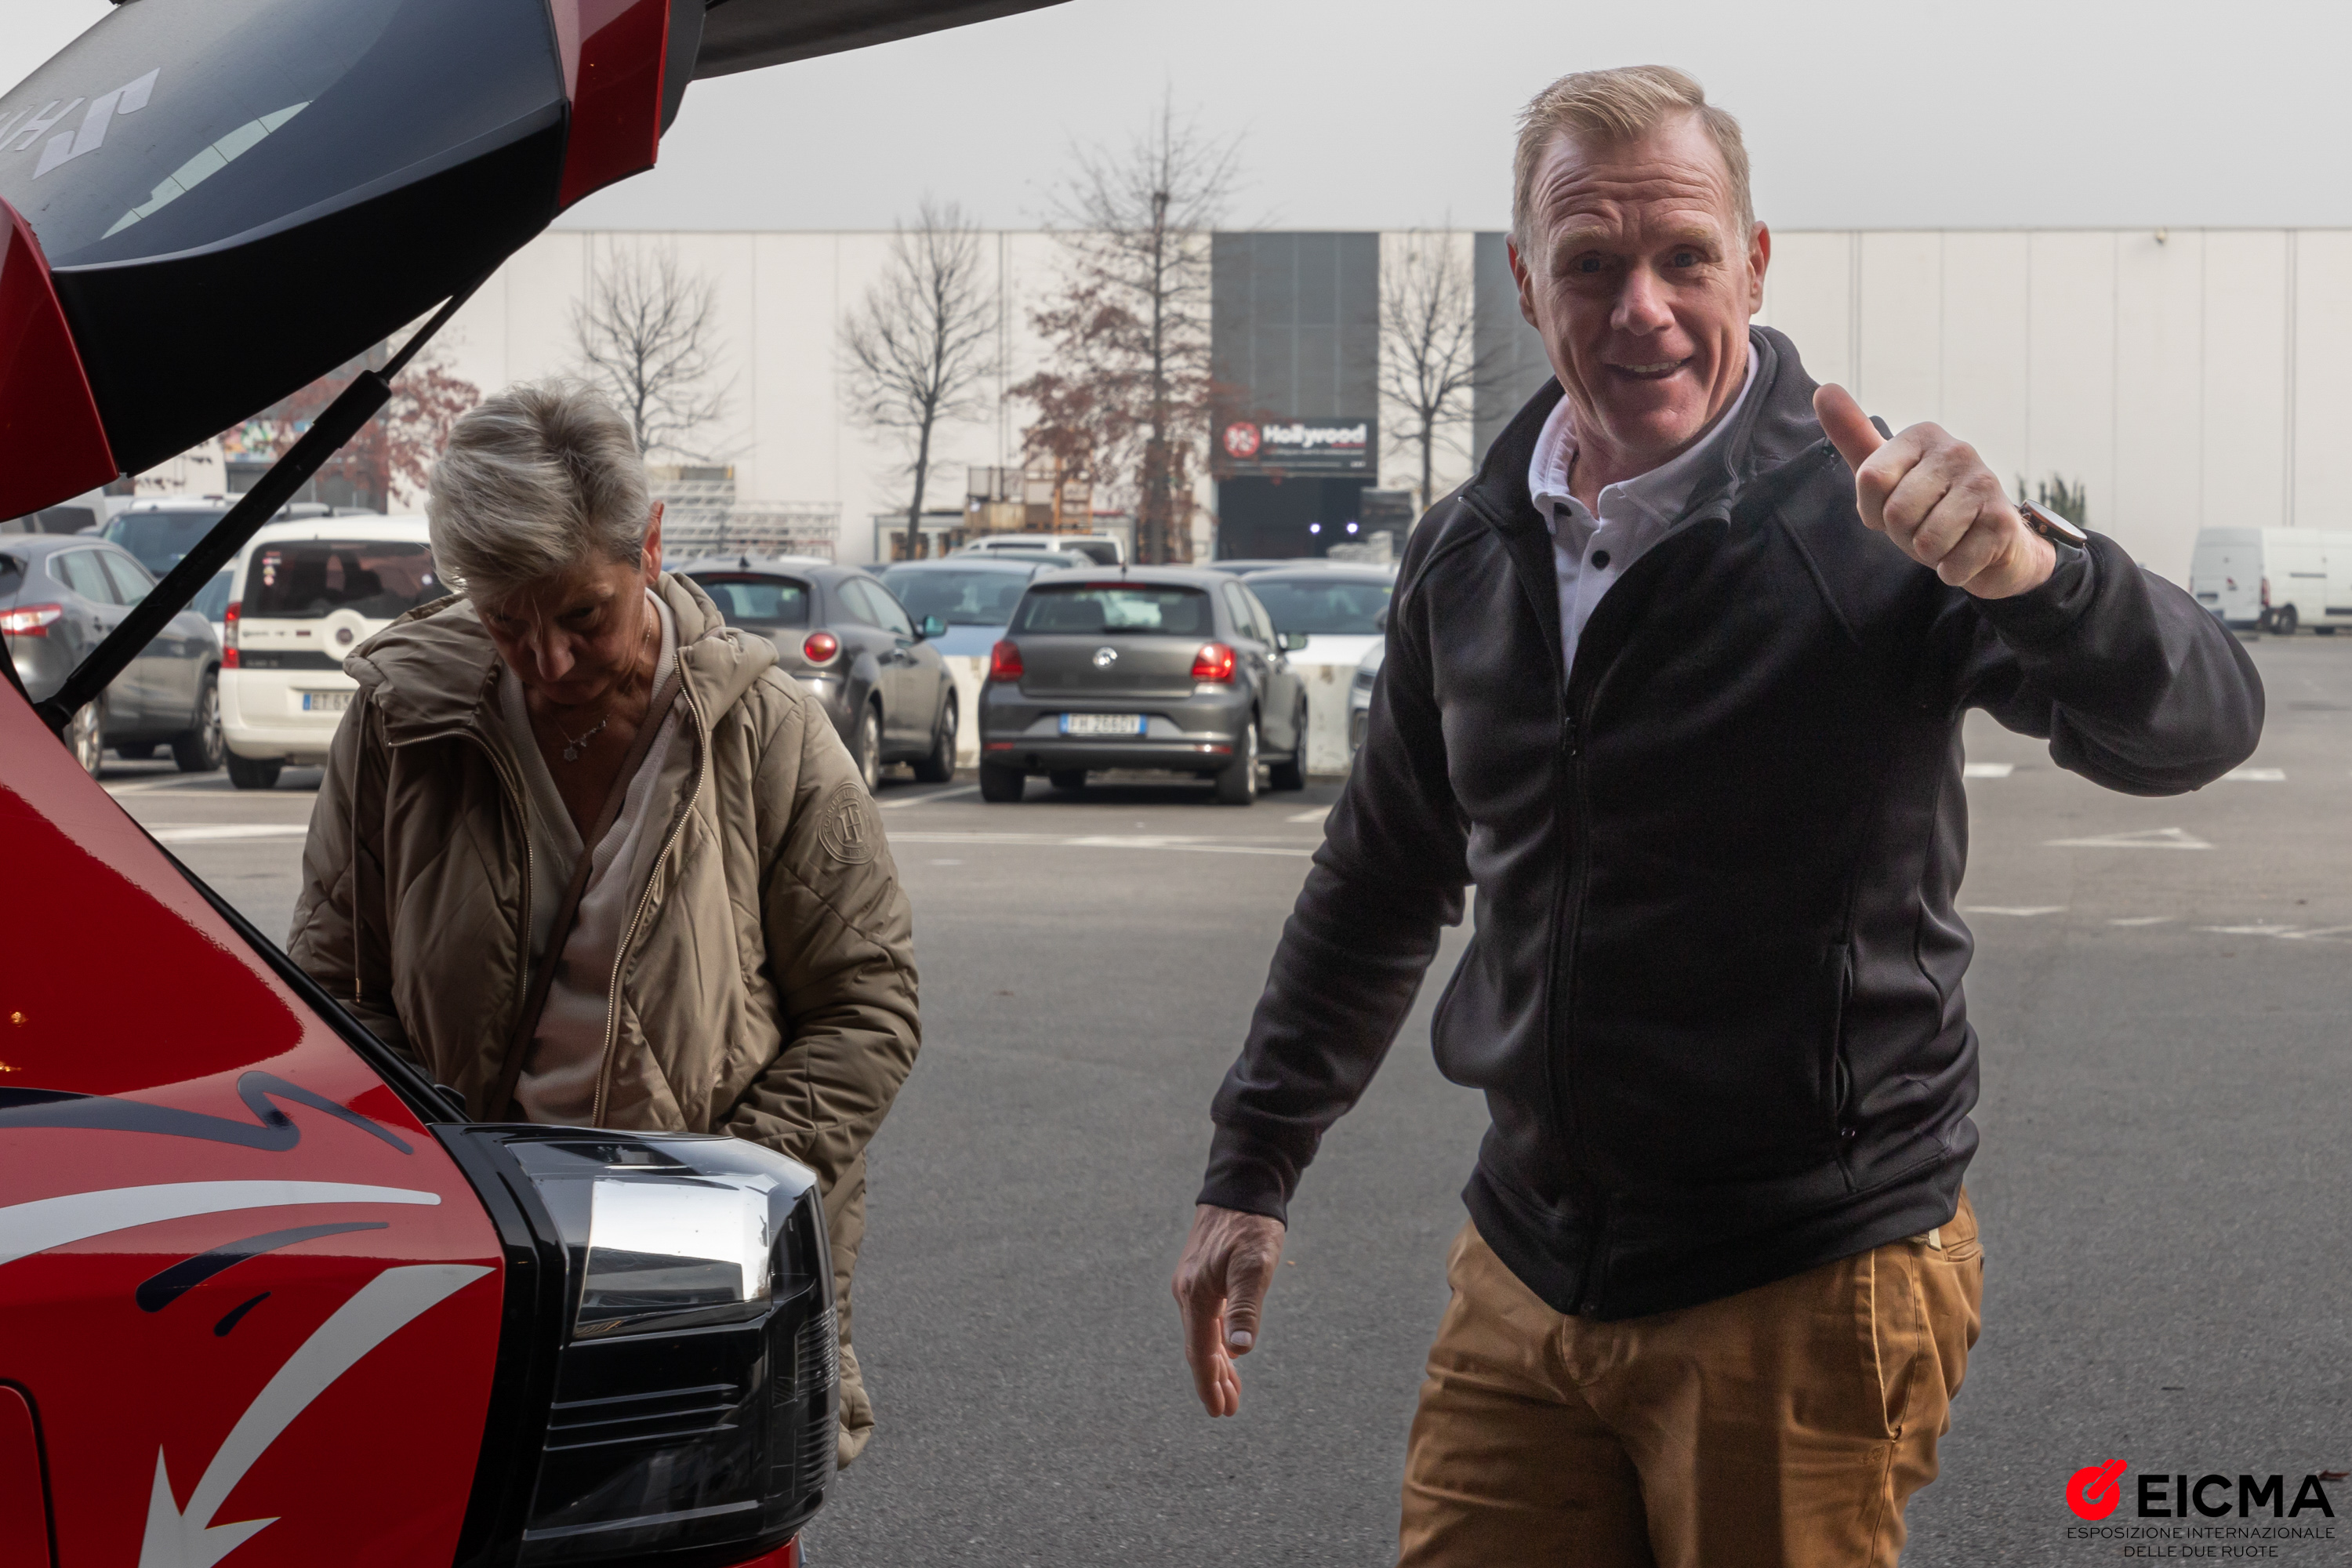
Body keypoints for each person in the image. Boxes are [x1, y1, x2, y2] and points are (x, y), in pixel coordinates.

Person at [1172, 65, 2263, 1567]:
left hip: (1804, 1274)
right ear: (1524, 282)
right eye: (1590, 263)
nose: (1644, 309)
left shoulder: (1876, 521)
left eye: (1685, 256)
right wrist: (1252, 1167)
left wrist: (2042, 576)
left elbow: (2200, 726)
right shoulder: (1468, 552)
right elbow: (1382, 877)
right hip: (1527, 1268)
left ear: (1753, 262)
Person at [289, 380, 919, 1466]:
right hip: (473, 1267)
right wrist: (444, 1182)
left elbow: (870, 1007)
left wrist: (722, 1203)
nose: (548, 661)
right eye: (505, 621)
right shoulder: (401, 725)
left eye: (584, 615)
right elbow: (334, 993)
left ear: (650, 546)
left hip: (709, 1284)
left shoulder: (765, 734)